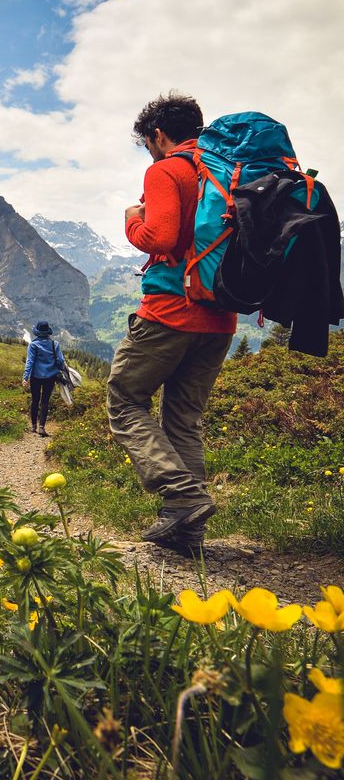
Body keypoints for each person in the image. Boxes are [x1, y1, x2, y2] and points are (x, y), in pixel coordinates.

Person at [108, 92, 237, 555]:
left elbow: (158, 237)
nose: (150, 151)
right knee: (184, 419)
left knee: (124, 399)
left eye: (148, 144)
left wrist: (131, 222)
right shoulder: (226, 171)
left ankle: (181, 497)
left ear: (158, 135)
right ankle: (186, 532)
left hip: (170, 311)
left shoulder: (167, 169)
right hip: (220, 318)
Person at [23, 321, 67, 437]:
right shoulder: (55, 344)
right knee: (45, 401)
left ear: (37, 332)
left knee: (35, 400)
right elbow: (61, 361)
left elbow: (30, 362)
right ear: (48, 332)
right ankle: (42, 427)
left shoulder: (33, 345)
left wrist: (25, 377)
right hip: (50, 377)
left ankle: (33, 426)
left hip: (35, 377)